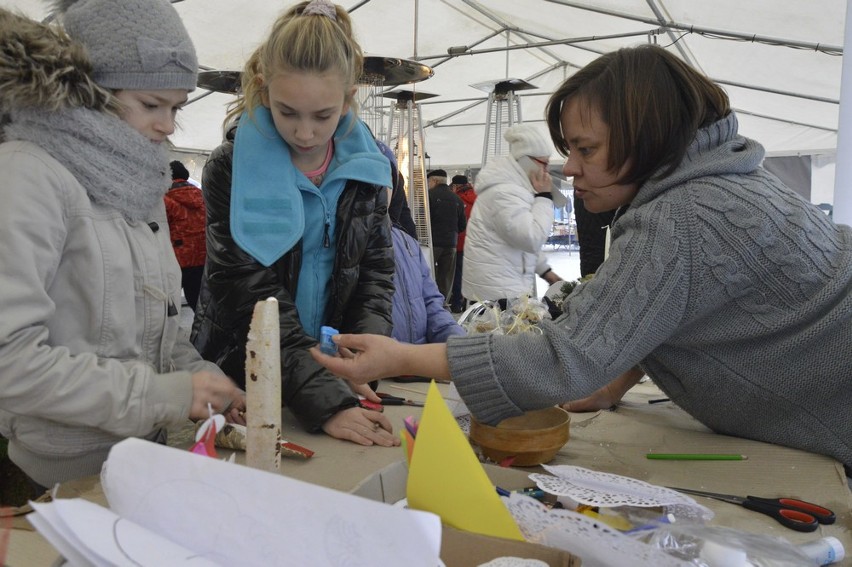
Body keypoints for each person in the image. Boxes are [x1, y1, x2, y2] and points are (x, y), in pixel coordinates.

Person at [312, 44, 852, 473]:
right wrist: (612, 382)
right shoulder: (724, 185)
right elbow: (679, 305)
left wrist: (399, 358)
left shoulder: (682, 216)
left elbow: (558, 359)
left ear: (649, 139)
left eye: (585, 149)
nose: (569, 168)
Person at [0, 0, 246, 491]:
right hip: (49, 478)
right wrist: (165, 396)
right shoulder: (27, 174)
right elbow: (10, 359)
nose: (169, 125)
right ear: (88, 94)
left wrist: (205, 382)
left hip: (134, 460)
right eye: (151, 105)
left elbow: (166, 323)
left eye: (175, 107)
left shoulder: (137, 181)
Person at [191, 0, 399, 448]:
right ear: (263, 91)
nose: (305, 133)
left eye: (323, 116)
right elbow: (244, 289)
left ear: (348, 98)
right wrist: (322, 394)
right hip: (241, 377)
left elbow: (376, 274)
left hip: (329, 376)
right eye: (288, 113)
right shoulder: (231, 167)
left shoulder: (368, 170)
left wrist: (361, 356)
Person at [462, 124, 564, 304]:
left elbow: (518, 239)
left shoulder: (513, 189)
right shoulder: (505, 193)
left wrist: (544, 270)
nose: (547, 171)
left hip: (501, 287)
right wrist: (544, 197)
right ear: (527, 161)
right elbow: (530, 238)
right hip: (497, 293)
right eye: (544, 164)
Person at [165, 160, 206, 310]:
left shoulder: (165, 199)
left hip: (177, 258)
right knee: (198, 302)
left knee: (169, 302)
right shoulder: (202, 195)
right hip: (202, 256)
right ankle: (200, 332)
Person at [427, 169, 467, 302]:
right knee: (446, 278)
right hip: (451, 244)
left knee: (428, 275)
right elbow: (462, 225)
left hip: (432, 244)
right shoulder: (457, 199)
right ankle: (442, 304)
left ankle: (429, 303)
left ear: (434, 181)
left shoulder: (428, 196)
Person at [448, 174, 477, 313]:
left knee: (457, 274)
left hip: (458, 243)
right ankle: (473, 304)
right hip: (474, 244)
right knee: (473, 274)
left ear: (456, 186)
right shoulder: (478, 198)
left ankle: (457, 304)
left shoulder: (455, 199)